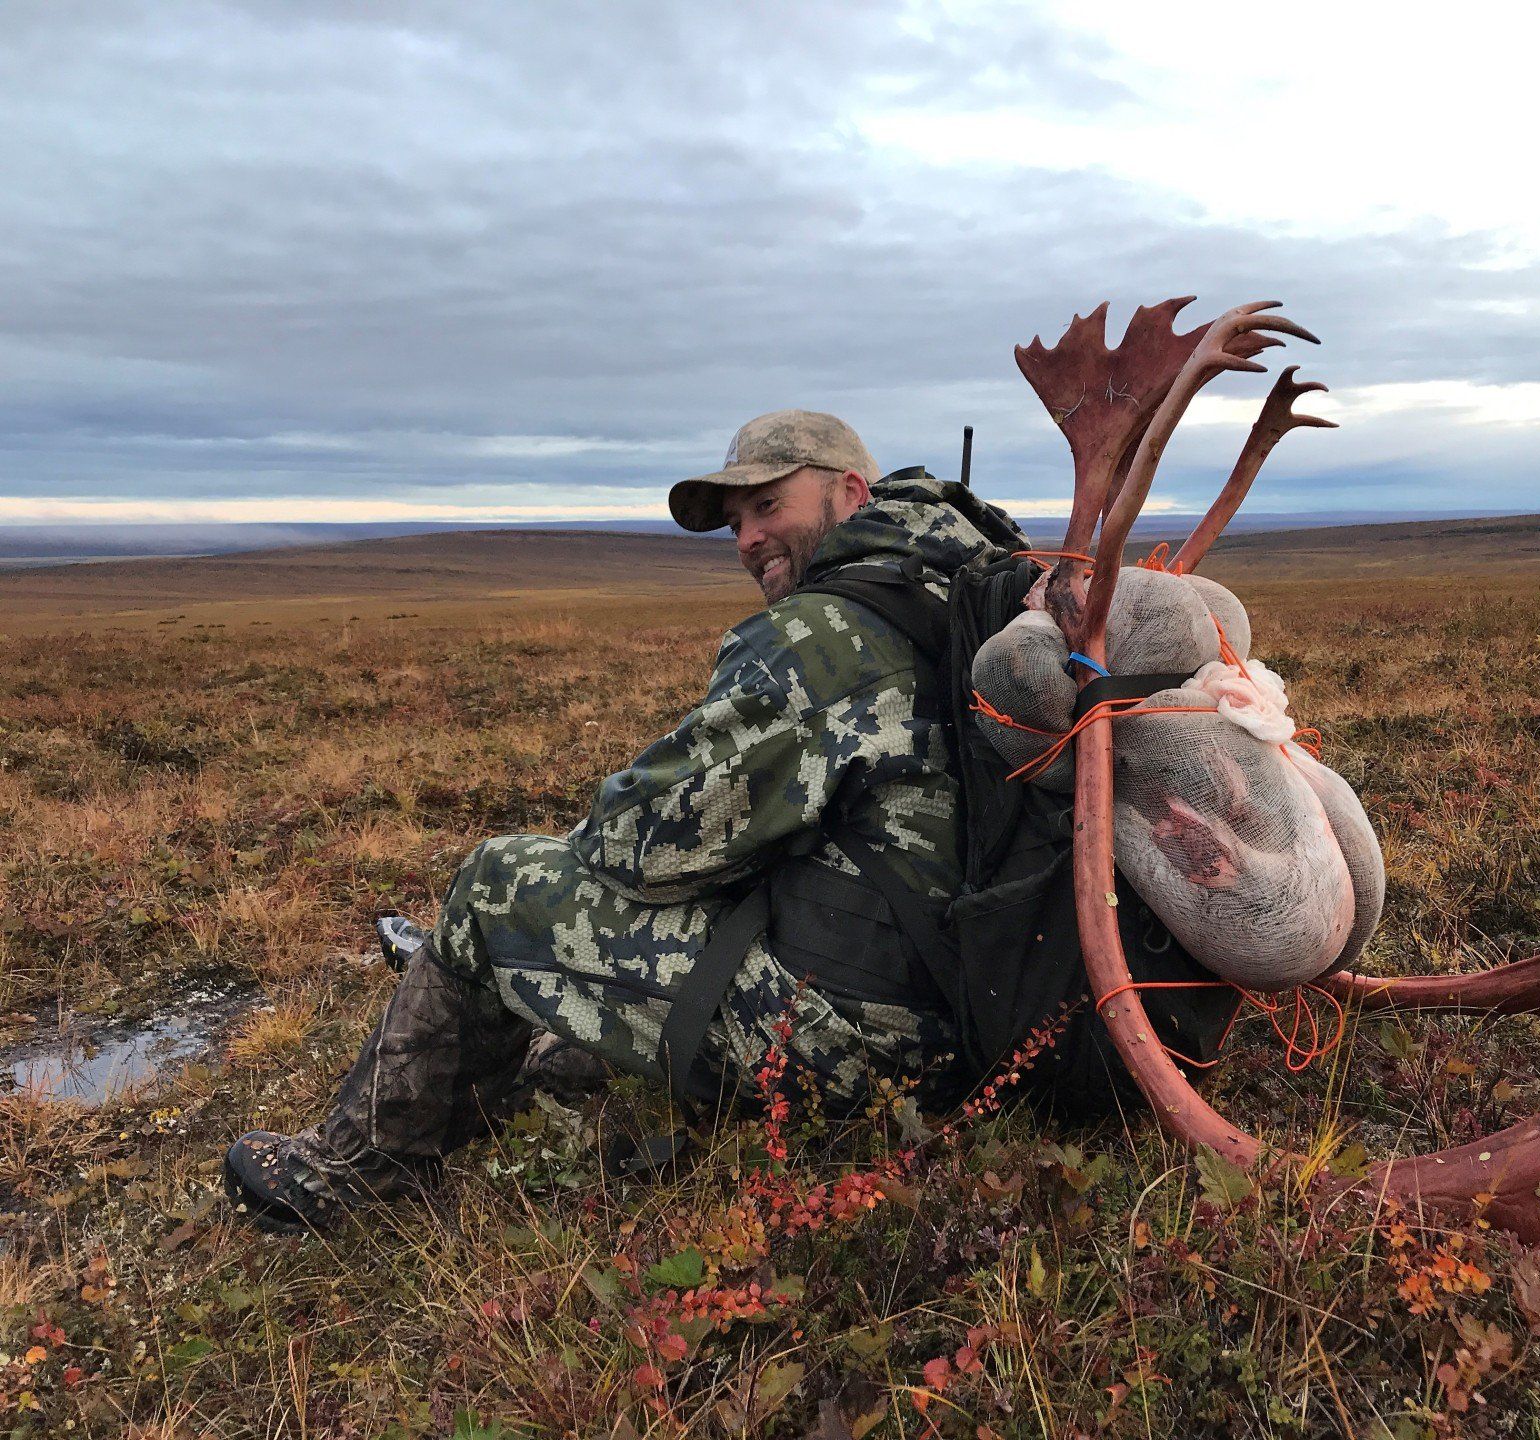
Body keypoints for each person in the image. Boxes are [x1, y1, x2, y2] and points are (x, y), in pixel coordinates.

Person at [224, 410, 1028, 1229]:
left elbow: (644, 845)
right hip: (971, 1010)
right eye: (735, 521)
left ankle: (356, 1174)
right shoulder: (957, 588)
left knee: (497, 885)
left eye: (768, 506)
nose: (748, 538)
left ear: (849, 492)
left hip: (866, 1047)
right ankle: (541, 1045)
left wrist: (564, 864)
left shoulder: (826, 633)